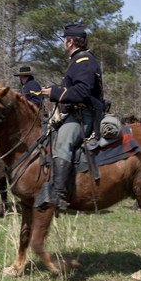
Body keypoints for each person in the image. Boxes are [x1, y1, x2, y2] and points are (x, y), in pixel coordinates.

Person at [39, 23, 103, 210]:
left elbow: (82, 92)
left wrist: (53, 92)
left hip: (85, 115)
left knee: (63, 141)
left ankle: (59, 195)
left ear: (70, 42)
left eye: (64, 41)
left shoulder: (84, 61)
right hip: (76, 113)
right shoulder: (78, 61)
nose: (62, 44)